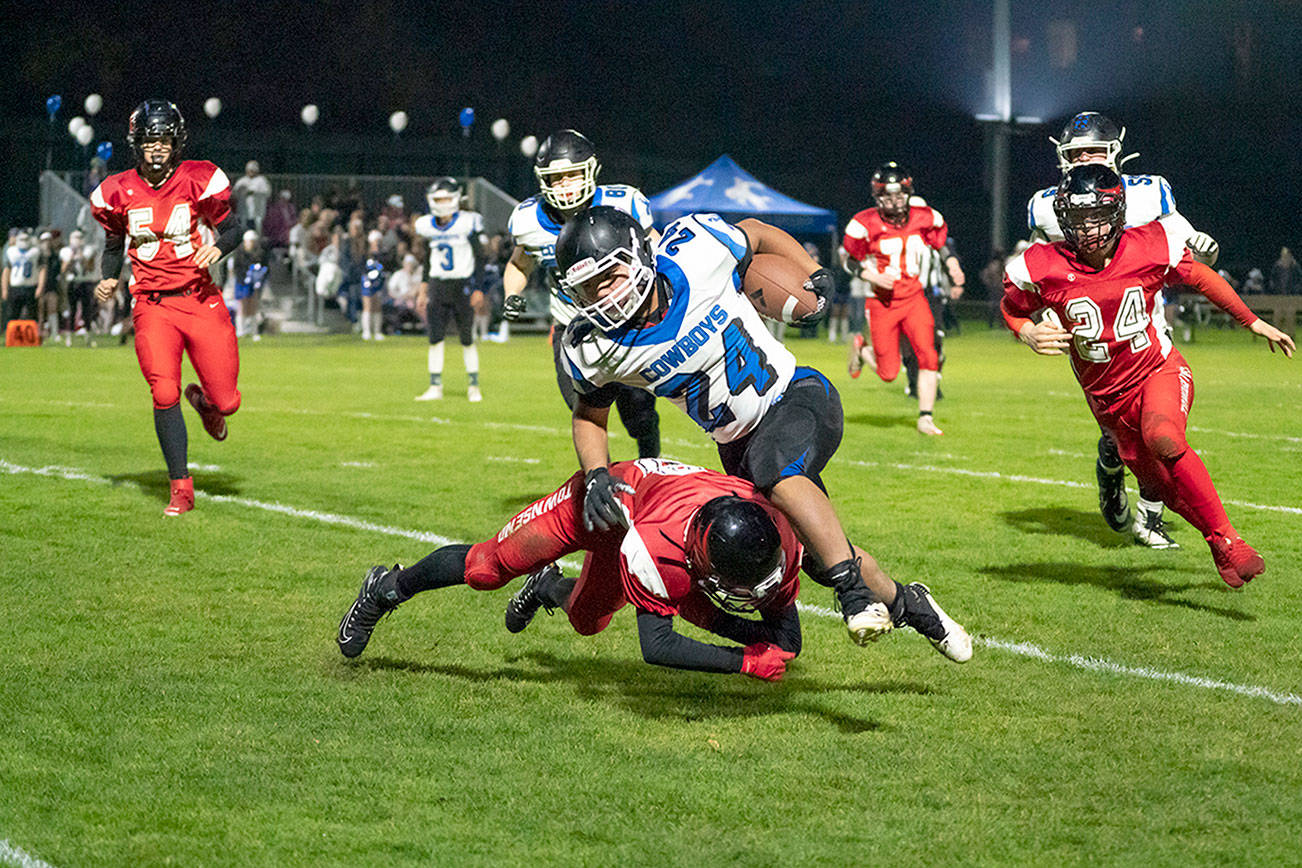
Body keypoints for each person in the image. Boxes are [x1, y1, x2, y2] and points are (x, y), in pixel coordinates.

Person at [554, 205, 971, 659]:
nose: (603, 296)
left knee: (777, 470)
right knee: (813, 552)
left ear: (638, 256)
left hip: (796, 396)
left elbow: (755, 233)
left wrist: (812, 269)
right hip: (737, 447)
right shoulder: (600, 347)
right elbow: (589, 414)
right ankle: (912, 605)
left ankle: (853, 595)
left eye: (609, 276)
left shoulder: (696, 250)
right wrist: (595, 472)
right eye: (588, 288)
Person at [1002, 165, 1294, 587]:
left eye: (1097, 215)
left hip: (1158, 368)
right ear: (1063, 217)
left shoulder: (1150, 244)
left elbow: (1201, 277)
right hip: (1107, 401)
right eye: (1078, 217)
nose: (1087, 227)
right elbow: (1012, 308)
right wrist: (1027, 331)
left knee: (1166, 438)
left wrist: (1252, 321)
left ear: (1117, 211)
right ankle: (1218, 542)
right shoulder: (1041, 264)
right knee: (1164, 487)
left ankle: (1231, 538)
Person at [338, 459, 818, 681]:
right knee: (486, 568)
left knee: (589, 622)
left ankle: (549, 587)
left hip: (652, 525)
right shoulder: (662, 548)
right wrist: (745, 661)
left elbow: (786, 639)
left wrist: (768, 645)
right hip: (597, 506)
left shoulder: (775, 531)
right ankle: (386, 587)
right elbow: (660, 645)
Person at [1026, 112, 1221, 549]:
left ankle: (1149, 519)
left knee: (1161, 430)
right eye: (1076, 154)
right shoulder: (1045, 204)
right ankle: (1111, 467)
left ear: (1116, 152)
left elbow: (1182, 239)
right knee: (1122, 435)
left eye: (1094, 151)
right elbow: (1036, 271)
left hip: (1146, 326)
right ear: (1062, 157)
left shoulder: (1149, 191)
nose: (1084, 160)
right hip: (1094, 340)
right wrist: (1038, 320)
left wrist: (1199, 245)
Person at [90, 99, 245, 516]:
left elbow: (233, 229)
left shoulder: (200, 178)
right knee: (162, 391)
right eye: (149, 141)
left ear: (176, 142)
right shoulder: (114, 191)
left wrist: (219, 248)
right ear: (135, 144)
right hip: (152, 305)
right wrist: (108, 276)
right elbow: (112, 247)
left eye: (164, 140)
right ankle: (180, 487)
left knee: (228, 400)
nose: (157, 148)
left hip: (199, 298)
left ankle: (208, 404)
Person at [500, 129, 661, 458]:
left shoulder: (623, 203)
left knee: (639, 411)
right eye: (556, 178)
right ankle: (602, 479)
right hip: (574, 328)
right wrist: (511, 294)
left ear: (591, 171)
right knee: (583, 407)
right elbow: (519, 263)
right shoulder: (529, 221)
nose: (565, 185)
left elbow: (655, 248)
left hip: (625, 323)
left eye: (572, 174)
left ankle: (651, 464)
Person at [843, 163, 951, 435]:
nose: (894, 202)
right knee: (888, 373)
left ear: (908, 193)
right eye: (887, 197)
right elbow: (846, 258)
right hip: (882, 302)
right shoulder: (863, 223)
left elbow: (940, 244)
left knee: (929, 355)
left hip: (914, 298)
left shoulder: (926, 217)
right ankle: (861, 347)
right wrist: (869, 275)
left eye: (899, 195)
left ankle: (925, 417)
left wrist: (953, 264)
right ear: (877, 197)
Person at [412, 177, 485, 401]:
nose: (442, 203)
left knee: (467, 337)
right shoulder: (428, 226)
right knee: (435, 337)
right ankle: (435, 385)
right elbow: (427, 261)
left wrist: (478, 288)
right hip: (438, 284)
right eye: (438, 199)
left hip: (461, 284)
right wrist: (423, 289)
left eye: (445, 198)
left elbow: (480, 258)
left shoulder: (467, 222)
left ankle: (473, 385)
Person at [2, 229, 47, 331]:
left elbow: (42, 269)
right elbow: (6, 271)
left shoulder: (35, 251)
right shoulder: (11, 251)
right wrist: (4, 289)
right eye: (21, 239)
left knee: (32, 314)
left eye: (26, 239)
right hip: (15, 286)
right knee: (13, 314)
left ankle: (32, 337)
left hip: (31, 286)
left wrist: (40, 286)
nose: (24, 241)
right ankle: (12, 336)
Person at [60, 229, 98, 343]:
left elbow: (90, 268)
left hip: (86, 282)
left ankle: (88, 336)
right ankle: (70, 336)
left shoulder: (88, 250)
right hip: (73, 282)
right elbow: (63, 270)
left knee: (87, 310)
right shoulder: (65, 251)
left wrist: (81, 257)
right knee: (72, 309)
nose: (78, 241)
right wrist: (71, 258)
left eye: (79, 238)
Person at [230, 230, 267, 341]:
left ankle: (253, 331)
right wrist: (245, 278)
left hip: (254, 283)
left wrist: (257, 278)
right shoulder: (239, 253)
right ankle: (240, 331)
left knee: (253, 306)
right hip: (242, 282)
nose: (251, 244)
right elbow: (237, 269)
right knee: (242, 306)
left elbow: (264, 267)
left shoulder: (260, 253)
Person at [232, 160, 271, 233]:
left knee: (257, 229)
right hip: (243, 212)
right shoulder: (242, 181)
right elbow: (235, 193)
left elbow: (267, 192)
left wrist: (254, 192)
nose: (251, 172)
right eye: (249, 170)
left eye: (253, 170)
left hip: (257, 212)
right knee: (243, 229)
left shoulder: (262, 180)